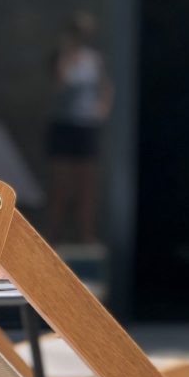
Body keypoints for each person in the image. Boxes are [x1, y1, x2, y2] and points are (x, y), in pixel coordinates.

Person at [45, 12, 113, 244]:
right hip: (63, 125)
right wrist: (67, 53)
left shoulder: (94, 59)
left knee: (87, 185)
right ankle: (54, 234)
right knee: (61, 185)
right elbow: (59, 82)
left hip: (86, 126)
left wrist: (102, 109)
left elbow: (105, 86)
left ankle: (86, 234)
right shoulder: (61, 57)